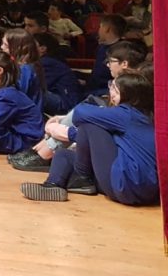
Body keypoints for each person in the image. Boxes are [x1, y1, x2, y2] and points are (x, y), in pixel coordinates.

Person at [20, 72, 157, 205]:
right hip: (140, 188)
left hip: (127, 185)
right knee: (64, 155)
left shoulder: (126, 114)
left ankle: (82, 178)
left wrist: (67, 132)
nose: (110, 92)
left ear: (128, 94)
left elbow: (81, 113)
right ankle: (52, 185)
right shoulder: (142, 116)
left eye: (114, 88)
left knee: (90, 124)